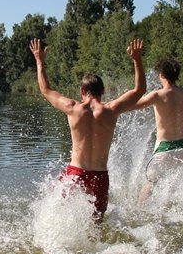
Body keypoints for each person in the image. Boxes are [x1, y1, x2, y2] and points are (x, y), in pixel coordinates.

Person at [30, 38, 146, 219]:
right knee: (97, 222)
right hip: (99, 176)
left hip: (75, 173)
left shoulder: (72, 108)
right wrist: (137, 59)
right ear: (103, 91)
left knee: (61, 215)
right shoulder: (111, 110)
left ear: (82, 91)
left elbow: (46, 90)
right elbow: (139, 90)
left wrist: (39, 61)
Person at [133, 56, 183, 205]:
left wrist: (106, 105)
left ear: (161, 75)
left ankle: (138, 210)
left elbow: (132, 105)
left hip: (164, 148)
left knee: (150, 183)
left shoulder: (157, 95)